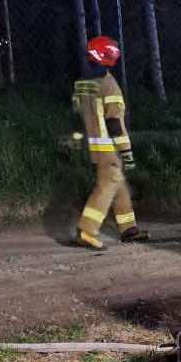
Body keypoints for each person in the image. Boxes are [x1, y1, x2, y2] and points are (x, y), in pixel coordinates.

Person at [71, 36, 147, 250]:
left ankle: (129, 229)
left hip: (93, 146)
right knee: (107, 186)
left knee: (118, 184)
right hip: (108, 147)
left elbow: (78, 115)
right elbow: (114, 123)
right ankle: (87, 230)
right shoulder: (109, 85)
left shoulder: (82, 84)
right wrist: (126, 151)